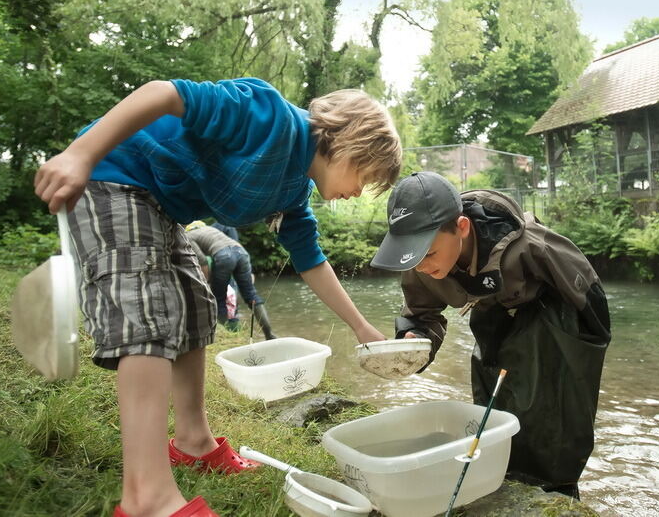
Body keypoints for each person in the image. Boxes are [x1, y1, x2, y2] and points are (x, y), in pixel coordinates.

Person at [33, 78, 401, 517]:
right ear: (350, 144)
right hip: (112, 176)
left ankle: (193, 443)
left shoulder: (293, 192)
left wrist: (360, 327)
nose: (359, 192)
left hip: (163, 208)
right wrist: (81, 153)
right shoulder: (267, 117)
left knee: (194, 307)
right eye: (366, 177)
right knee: (147, 310)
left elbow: (311, 260)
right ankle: (146, 497)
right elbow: (163, 94)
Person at [369, 171, 611, 498]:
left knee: (550, 420)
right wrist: (415, 342)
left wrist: (580, 356)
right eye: (410, 255)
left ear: (462, 227)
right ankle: (500, 480)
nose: (420, 265)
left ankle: (557, 493)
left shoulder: (529, 246)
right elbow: (421, 315)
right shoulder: (420, 267)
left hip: (550, 319)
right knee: (491, 409)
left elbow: (589, 297)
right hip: (491, 319)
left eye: (427, 253)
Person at [185, 221, 276, 339]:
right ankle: (269, 334)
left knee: (219, 298)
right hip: (242, 252)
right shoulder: (210, 230)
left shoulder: (188, 236)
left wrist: (206, 282)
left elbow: (202, 261)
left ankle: (225, 334)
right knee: (251, 295)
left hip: (224, 256)